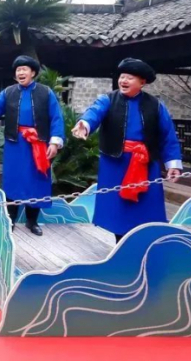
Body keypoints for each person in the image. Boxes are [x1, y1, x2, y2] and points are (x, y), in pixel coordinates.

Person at [72, 58, 182, 243]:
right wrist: (85, 124)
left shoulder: (156, 105)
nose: (123, 81)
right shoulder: (107, 100)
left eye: (129, 78)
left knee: (146, 206)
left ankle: (144, 242)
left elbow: (168, 136)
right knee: (118, 208)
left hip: (145, 163)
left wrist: (173, 164)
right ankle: (120, 244)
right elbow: (94, 112)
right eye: (122, 77)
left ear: (142, 82)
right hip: (115, 163)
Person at [0, 56, 64, 236]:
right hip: (15, 144)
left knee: (36, 181)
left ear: (33, 73)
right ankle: (10, 220)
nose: (20, 73)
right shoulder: (8, 92)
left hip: (38, 144)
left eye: (24, 69)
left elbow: (56, 117)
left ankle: (32, 222)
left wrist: (55, 142)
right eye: (18, 70)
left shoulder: (46, 92)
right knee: (13, 181)